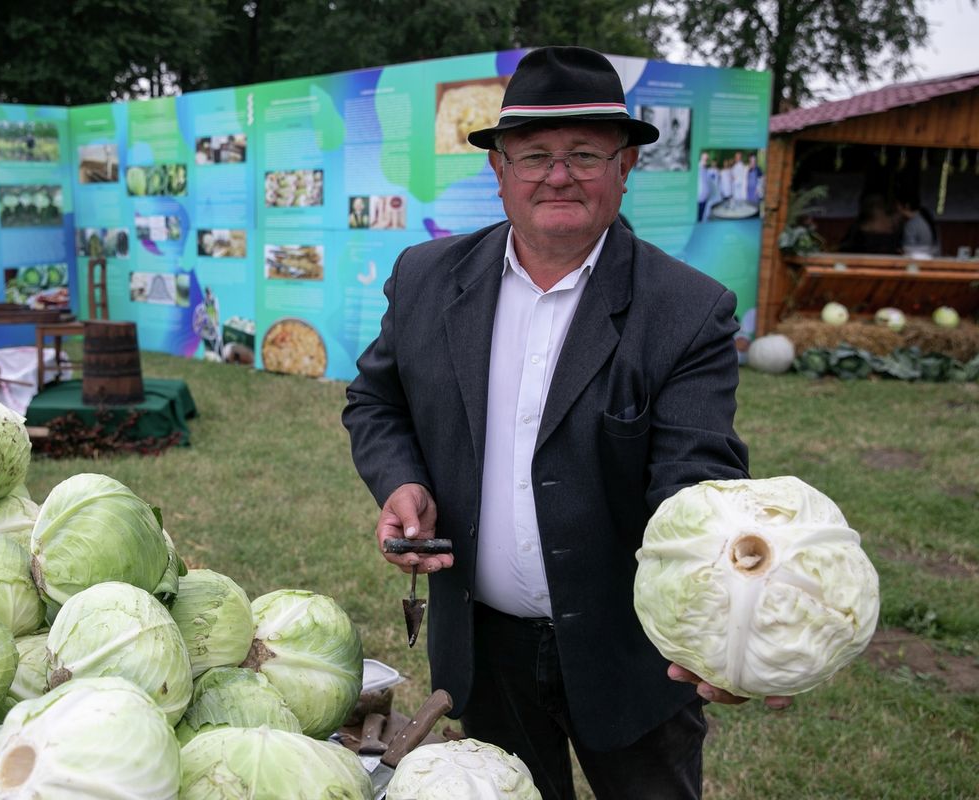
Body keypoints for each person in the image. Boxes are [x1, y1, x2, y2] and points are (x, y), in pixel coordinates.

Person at [342, 46, 789, 800]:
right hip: (484, 652)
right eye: (536, 155)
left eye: (585, 154)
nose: (558, 174)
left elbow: (697, 484)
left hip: (631, 654)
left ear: (624, 168)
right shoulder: (425, 279)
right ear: (499, 170)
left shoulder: (683, 310)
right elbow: (376, 402)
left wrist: (731, 621)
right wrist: (404, 481)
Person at [895, 190, 939, 255]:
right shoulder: (924, 217)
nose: (896, 208)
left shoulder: (912, 224)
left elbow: (908, 249)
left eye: (897, 205)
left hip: (919, 260)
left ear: (907, 205)